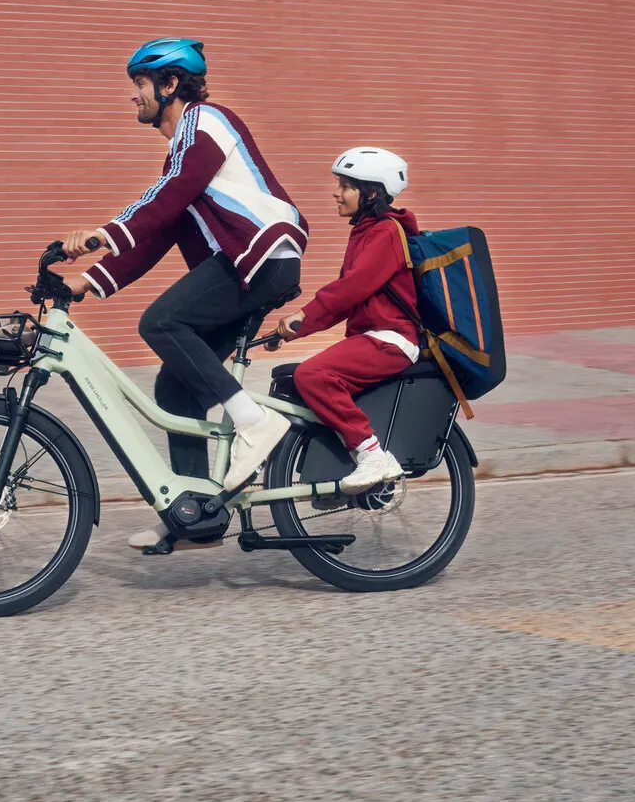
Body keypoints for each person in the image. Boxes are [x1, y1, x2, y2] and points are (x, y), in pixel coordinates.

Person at [60, 38, 307, 547]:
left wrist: (104, 231)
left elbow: (167, 196)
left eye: (140, 84)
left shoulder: (207, 121)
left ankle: (254, 423)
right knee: (175, 390)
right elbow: (161, 229)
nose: (134, 96)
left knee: (161, 322)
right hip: (241, 266)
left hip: (263, 256)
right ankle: (194, 510)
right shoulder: (183, 154)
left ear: (170, 84)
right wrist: (91, 280)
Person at [272, 147, 420, 490]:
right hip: (370, 338)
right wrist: (297, 328)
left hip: (391, 338)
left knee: (314, 374)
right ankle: (329, 471)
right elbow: (342, 301)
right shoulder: (366, 231)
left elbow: (350, 289)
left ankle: (373, 456)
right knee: (292, 380)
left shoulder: (385, 233)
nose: (336, 192)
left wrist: (305, 315)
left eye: (345, 186)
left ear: (370, 192)